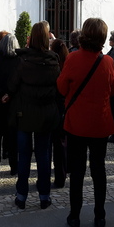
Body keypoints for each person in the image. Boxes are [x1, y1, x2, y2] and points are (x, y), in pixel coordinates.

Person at [57, 18, 114, 227]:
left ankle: (75, 216)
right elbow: (113, 89)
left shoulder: (73, 58)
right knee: (99, 170)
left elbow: (62, 88)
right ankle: (100, 216)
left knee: (77, 171)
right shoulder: (107, 61)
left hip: (77, 123)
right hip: (100, 123)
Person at [9, 22, 60, 210]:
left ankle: (21, 196)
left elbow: (13, 85)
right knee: (43, 155)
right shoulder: (53, 60)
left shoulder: (23, 60)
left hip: (25, 112)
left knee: (24, 156)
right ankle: (44, 196)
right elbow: (58, 85)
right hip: (45, 113)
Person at [0, 33, 20, 176]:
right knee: (12, 135)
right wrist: (9, 94)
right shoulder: (18, 60)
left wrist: (1, 94)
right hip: (13, 102)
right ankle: (14, 166)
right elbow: (18, 81)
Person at [50, 38, 69, 188]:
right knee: (64, 143)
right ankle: (64, 171)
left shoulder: (53, 67)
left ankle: (59, 176)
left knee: (57, 144)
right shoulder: (68, 66)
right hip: (67, 108)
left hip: (55, 108)